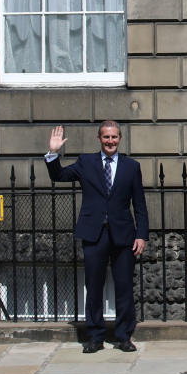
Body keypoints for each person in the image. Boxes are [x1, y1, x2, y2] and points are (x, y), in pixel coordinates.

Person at [45, 121, 148, 353]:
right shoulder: (86, 162)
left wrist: (141, 235)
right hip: (94, 234)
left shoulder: (132, 166)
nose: (110, 141)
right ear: (99, 139)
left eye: (114, 137)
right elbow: (59, 175)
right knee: (94, 286)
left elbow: (139, 204)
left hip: (123, 235)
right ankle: (95, 336)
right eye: (105, 137)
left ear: (120, 138)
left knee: (124, 287)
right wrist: (53, 153)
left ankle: (123, 336)